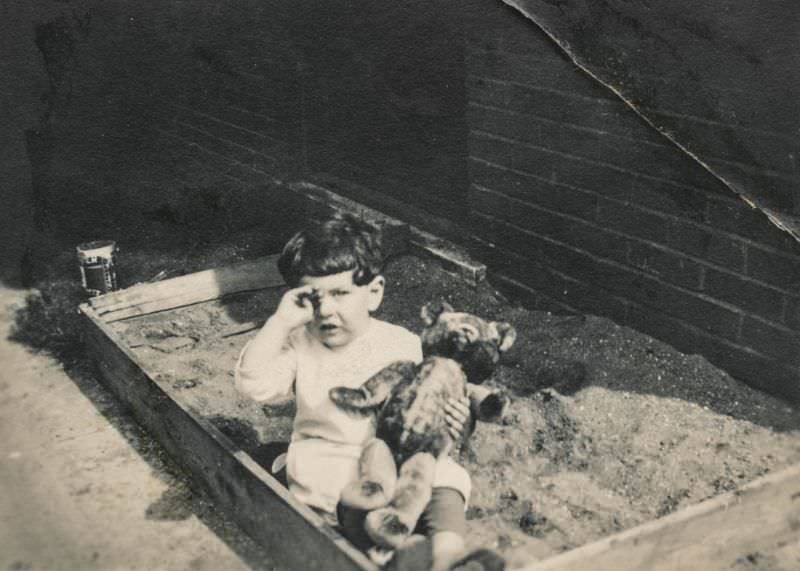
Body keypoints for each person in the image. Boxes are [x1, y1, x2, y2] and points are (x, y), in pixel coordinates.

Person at [234, 212, 472, 570]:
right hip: (331, 453)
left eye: (340, 294)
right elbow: (253, 383)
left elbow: (434, 403)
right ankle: (388, 551)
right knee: (329, 482)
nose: (326, 309)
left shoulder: (402, 343)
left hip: (398, 455)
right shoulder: (300, 344)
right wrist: (280, 323)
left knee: (446, 475)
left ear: (373, 293)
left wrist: (459, 422)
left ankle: (447, 553)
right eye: (312, 298)